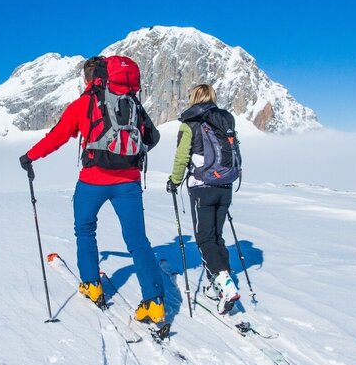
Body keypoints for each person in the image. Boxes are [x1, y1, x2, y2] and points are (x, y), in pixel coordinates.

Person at [19, 55, 166, 324]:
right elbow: (152, 137)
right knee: (137, 240)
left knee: (85, 229)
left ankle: (92, 285)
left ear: (87, 78)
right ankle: (154, 303)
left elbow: (57, 137)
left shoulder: (83, 104)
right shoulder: (131, 101)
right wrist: (128, 153)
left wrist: (30, 156)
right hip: (129, 181)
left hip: (93, 180)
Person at [166, 83, 241, 315]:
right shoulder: (225, 120)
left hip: (202, 187)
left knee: (205, 239)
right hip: (225, 185)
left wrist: (174, 180)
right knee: (217, 237)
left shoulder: (190, 124)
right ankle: (218, 284)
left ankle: (226, 287)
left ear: (194, 98)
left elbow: (182, 157)